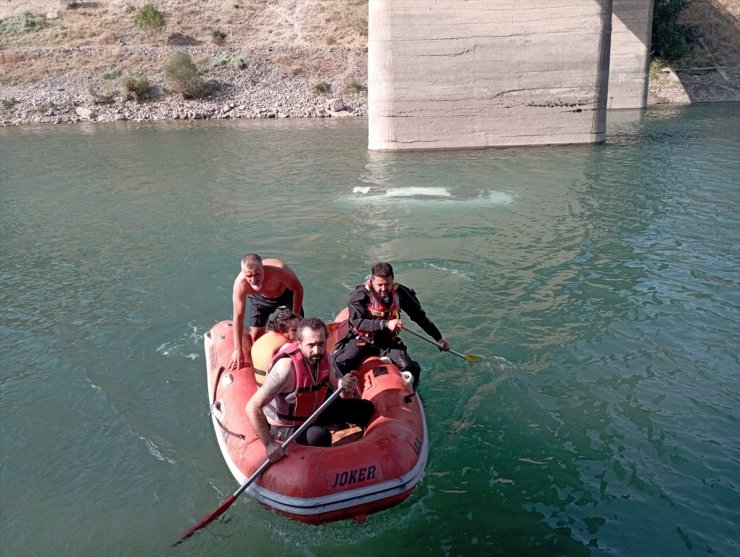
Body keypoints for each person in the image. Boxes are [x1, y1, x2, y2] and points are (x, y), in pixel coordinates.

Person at [245, 317, 375, 462]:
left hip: (314, 411)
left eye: (321, 344)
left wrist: (345, 385)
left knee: (366, 409)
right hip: (287, 425)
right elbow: (252, 407)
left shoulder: (326, 358)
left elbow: (342, 391)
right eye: (311, 345)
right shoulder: (285, 369)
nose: (316, 351)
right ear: (299, 343)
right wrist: (269, 444)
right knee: (320, 437)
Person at [333, 262, 450, 389]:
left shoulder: (400, 292)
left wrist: (438, 338)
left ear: (392, 280)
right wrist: (386, 323)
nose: (384, 289)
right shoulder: (359, 296)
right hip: (362, 340)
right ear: (372, 281)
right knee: (340, 365)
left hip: (387, 342)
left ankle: (411, 397)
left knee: (412, 368)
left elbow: (419, 316)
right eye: (380, 285)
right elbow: (358, 323)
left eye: (387, 284)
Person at [230, 253, 304, 370]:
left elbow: (298, 288)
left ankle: (298, 359)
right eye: (249, 275)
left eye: (257, 274)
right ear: (243, 273)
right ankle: (261, 365)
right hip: (259, 299)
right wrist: (237, 349)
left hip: (285, 296)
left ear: (263, 269)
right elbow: (238, 317)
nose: (253, 279)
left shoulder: (279, 270)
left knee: (294, 330)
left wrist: (295, 315)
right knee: (255, 335)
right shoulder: (240, 284)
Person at [250, 309, 301, 376]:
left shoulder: (263, 338)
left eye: (300, 328)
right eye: (294, 330)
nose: (300, 333)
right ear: (281, 330)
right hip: (273, 384)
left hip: (260, 383)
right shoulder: (286, 347)